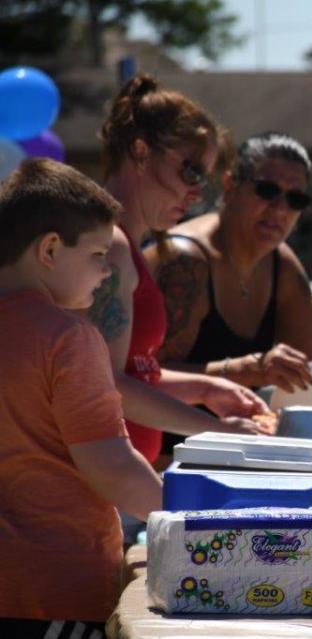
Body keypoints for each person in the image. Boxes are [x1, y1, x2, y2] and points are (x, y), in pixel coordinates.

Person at [0, 159, 163, 638]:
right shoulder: (69, 338)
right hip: (58, 591)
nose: (105, 275)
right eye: (98, 255)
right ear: (50, 248)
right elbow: (111, 467)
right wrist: (191, 519)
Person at [88, 74, 272, 469]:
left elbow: (134, 373)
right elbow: (106, 384)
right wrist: (221, 432)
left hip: (114, 488)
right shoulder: (111, 246)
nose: (196, 193)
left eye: (203, 180)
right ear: (140, 151)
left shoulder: (126, 247)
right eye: (190, 172)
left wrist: (205, 387)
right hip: (94, 490)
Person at [145, 131, 312, 408]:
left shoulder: (279, 263)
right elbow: (141, 377)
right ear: (230, 186)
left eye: (296, 199)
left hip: (225, 443)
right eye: (267, 190)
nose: (280, 209)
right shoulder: (184, 261)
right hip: (161, 449)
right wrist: (245, 370)